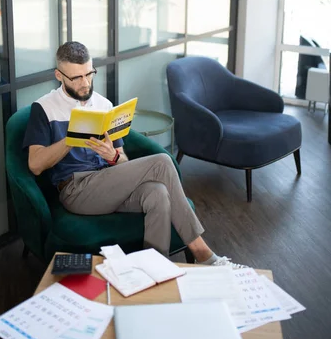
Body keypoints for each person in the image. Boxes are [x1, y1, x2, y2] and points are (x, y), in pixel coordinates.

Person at [23, 41, 245, 268]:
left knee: (157, 193)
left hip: (109, 183)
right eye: (76, 78)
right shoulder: (44, 108)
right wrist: (71, 140)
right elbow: (35, 165)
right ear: (59, 75)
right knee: (162, 161)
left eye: (89, 74)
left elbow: (123, 162)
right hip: (76, 190)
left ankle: (153, 270)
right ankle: (202, 252)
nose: (85, 82)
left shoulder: (103, 105)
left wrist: (112, 157)